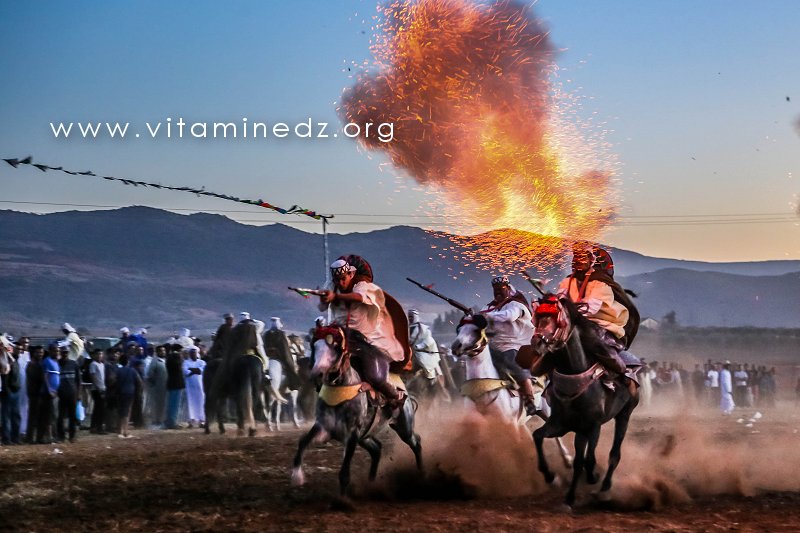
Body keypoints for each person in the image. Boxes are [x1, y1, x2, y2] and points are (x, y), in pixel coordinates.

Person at [318, 256, 409, 408]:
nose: (340, 283)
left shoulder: (362, 285)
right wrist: (323, 298)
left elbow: (359, 297)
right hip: (339, 336)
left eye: (343, 279)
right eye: (337, 280)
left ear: (350, 275)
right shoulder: (331, 285)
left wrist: (336, 296)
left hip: (363, 339)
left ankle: (395, 396)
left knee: (374, 375)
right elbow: (321, 308)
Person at [557, 243, 639, 389]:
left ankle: (613, 374)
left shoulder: (601, 283)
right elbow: (560, 300)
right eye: (575, 259)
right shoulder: (567, 281)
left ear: (591, 262)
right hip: (571, 324)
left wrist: (571, 312)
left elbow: (592, 308)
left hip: (599, 324)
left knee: (595, 341)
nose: (577, 262)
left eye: (582, 259)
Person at [480, 275, 537, 412]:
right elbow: (479, 318)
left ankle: (529, 399)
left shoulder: (516, 304)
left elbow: (508, 316)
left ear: (508, 288)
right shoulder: (489, 307)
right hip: (495, 346)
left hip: (516, 345)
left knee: (510, 361)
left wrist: (485, 316)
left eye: (502, 288)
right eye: (496, 289)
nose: (498, 292)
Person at [56, 345, 81, 443]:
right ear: (61, 353)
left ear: (68, 353)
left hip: (72, 394)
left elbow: (78, 381)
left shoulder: (74, 364)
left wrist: (79, 394)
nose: (65, 354)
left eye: (66, 352)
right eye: (63, 352)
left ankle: (72, 436)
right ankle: (61, 436)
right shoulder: (57, 364)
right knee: (61, 417)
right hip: (60, 394)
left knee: (72, 416)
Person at [182, 346, 206, 428]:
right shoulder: (186, 362)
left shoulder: (202, 362)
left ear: (197, 353)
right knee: (190, 402)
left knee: (201, 402)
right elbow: (186, 372)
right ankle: (191, 421)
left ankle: (202, 420)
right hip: (189, 387)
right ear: (189, 354)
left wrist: (192, 369)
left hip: (200, 386)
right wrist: (196, 370)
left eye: (194, 353)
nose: (193, 354)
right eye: (191, 353)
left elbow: (201, 371)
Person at [88, 349, 107, 434]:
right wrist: (98, 388)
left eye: (101, 354)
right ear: (95, 355)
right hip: (96, 389)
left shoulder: (102, 364)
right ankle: (97, 427)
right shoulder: (93, 364)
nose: (99, 356)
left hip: (103, 388)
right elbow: (93, 377)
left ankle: (96, 426)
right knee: (98, 408)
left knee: (100, 409)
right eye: (98, 354)